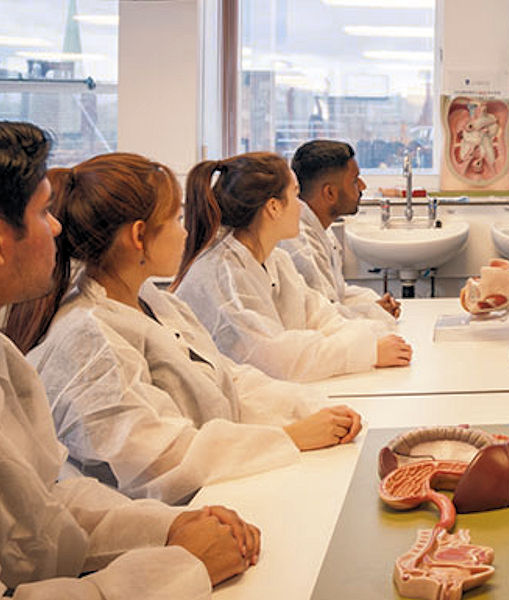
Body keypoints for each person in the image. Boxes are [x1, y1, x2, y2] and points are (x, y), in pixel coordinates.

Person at [6, 152, 362, 505]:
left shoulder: (154, 301)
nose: (187, 230)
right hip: (162, 523)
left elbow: (227, 379)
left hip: (218, 490)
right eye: (176, 218)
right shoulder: (87, 340)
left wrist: (309, 407)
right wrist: (289, 436)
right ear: (139, 236)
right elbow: (160, 460)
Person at [0, 121, 258, 598]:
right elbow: (150, 457)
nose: (56, 225)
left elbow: (46, 504)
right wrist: (177, 567)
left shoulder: (7, 360)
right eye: (41, 213)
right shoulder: (84, 334)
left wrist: (169, 529)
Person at [173, 152, 412, 382]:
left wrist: (372, 338)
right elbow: (275, 358)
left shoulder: (276, 259)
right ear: (274, 207)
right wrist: (366, 352)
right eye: (295, 195)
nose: (301, 207)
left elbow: (319, 315)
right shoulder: (224, 275)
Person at [280, 140, 400, 325]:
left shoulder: (321, 229)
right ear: (330, 193)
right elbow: (322, 319)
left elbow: (337, 293)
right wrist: (373, 312)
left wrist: (373, 304)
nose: (362, 186)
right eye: (354, 181)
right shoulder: (299, 243)